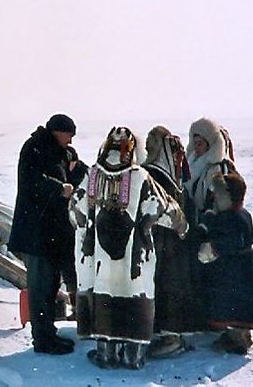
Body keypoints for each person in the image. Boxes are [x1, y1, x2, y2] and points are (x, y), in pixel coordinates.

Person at [72, 127, 188, 369]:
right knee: (134, 299)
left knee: (104, 298)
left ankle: (107, 355)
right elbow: (163, 207)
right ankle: (133, 357)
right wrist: (182, 226)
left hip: (100, 260)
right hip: (134, 259)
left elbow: (75, 210)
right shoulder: (141, 177)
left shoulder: (92, 176)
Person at [7, 113, 87, 355]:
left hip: (53, 234)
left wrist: (78, 169)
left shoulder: (62, 153)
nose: (71, 140)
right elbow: (31, 182)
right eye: (69, 134)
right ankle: (42, 339)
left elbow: (73, 179)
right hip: (36, 233)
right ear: (57, 131)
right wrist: (57, 188)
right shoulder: (34, 148)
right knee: (40, 288)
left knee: (51, 286)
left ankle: (48, 334)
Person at [196, 172, 253, 354]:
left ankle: (239, 339)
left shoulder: (232, 218)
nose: (214, 196)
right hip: (240, 267)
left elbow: (230, 241)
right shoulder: (238, 214)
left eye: (219, 193)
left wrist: (212, 247)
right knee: (236, 302)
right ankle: (235, 334)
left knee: (237, 303)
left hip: (236, 269)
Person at [141, 125, 200, 357]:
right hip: (163, 244)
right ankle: (166, 334)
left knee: (168, 287)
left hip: (167, 246)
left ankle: (169, 335)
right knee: (166, 287)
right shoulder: (157, 175)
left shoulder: (157, 175)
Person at [185, 117, 237, 223]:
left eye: (200, 144)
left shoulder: (219, 169)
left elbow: (218, 203)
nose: (196, 147)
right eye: (194, 143)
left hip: (210, 225)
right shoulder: (190, 163)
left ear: (210, 145)